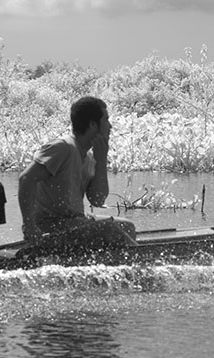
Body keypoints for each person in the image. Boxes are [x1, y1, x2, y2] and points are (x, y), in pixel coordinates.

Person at [17, 96, 137, 249]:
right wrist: (29, 226)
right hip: (51, 227)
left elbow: (98, 200)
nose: (110, 126)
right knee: (110, 229)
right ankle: (140, 264)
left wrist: (101, 159)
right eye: (106, 120)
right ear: (93, 124)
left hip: (76, 223)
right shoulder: (62, 147)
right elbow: (26, 178)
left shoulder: (88, 157)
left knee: (127, 227)